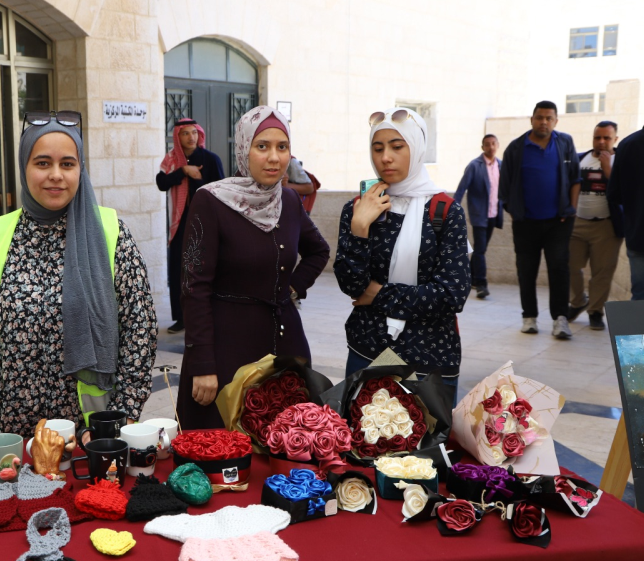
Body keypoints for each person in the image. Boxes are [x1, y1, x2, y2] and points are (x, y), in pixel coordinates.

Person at [0, 112, 158, 436]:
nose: (56, 175)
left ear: (80, 169)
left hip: (85, 434)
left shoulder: (110, 232)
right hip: (5, 433)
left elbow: (140, 328)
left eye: (67, 164)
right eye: (42, 163)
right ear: (24, 167)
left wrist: (122, 416)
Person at [177, 105, 331, 429]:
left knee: (287, 442)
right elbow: (194, 287)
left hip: (285, 346)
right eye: (262, 146)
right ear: (244, 148)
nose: (274, 157)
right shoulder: (211, 201)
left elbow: (319, 250)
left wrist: (292, 287)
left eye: (282, 147)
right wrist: (202, 363)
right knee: (223, 447)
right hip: (227, 348)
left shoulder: (288, 200)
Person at [335, 108, 469, 394]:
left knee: (426, 425)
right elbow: (352, 286)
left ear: (417, 149)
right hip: (367, 350)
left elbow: (451, 294)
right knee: (361, 423)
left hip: (429, 358)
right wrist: (359, 227)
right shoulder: (359, 207)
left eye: (397, 147)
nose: (385, 157)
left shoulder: (445, 211)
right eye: (378, 148)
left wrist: (379, 294)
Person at [499, 101, 581, 339]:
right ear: (532, 119)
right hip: (526, 222)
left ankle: (560, 319)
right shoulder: (516, 148)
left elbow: (575, 179)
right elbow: (505, 186)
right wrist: (514, 212)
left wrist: (571, 209)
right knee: (526, 270)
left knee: (559, 268)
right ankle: (529, 317)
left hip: (559, 221)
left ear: (556, 121)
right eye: (539, 117)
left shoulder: (565, 144)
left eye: (549, 118)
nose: (544, 122)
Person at [156, 119, 225, 333]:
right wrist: (183, 171)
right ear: (178, 137)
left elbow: (221, 191)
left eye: (194, 132)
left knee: (204, 268)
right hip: (180, 224)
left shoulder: (210, 159)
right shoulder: (172, 160)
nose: (191, 137)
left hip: (204, 223)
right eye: (185, 133)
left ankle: (207, 315)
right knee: (179, 269)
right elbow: (161, 183)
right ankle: (181, 318)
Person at [568, 121, 622, 330]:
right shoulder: (580, 159)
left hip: (606, 226)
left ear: (615, 139)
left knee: (602, 272)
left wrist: (608, 169)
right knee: (569, 266)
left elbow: (625, 191)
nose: (601, 142)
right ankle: (578, 302)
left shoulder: (621, 161)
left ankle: (596, 311)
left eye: (606, 138)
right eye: (597, 137)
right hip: (577, 224)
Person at [454, 134, 502, 299]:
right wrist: (453, 209)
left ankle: (468, 277)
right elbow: (461, 189)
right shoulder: (474, 166)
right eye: (487, 144)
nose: (491, 147)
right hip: (479, 214)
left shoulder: (501, 165)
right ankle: (481, 284)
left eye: (493, 143)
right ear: (482, 147)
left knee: (481, 249)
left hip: (493, 214)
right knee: (480, 249)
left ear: (497, 145)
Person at [608, 123, 644, 300]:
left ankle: (636, 320)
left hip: (638, 234)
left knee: (639, 295)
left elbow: (614, 194)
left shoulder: (627, 144)